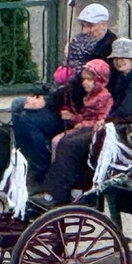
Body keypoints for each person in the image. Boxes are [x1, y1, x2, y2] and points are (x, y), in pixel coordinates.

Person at [11, 3, 116, 183]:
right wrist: (44, 95)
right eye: (83, 25)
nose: (85, 30)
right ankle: (25, 157)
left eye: (89, 26)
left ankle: (40, 168)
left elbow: (79, 85)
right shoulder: (79, 44)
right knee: (17, 105)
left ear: (103, 24)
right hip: (65, 101)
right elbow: (66, 78)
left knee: (25, 118)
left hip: (79, 112)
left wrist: (48, 101)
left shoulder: (108, 50)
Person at [36, 38, 132, 205]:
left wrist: (106, 120)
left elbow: (125, 110)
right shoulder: (118, 77)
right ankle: (61, 190)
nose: (119, 62)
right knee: (67, 139)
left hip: (126, 128)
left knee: (72, 144)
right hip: (109, 123)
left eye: (123, 58)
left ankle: (58, 194)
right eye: (116, 58)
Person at [33, 59, 113, 205]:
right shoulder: (88, 96)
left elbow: (101, 119)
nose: (85, 83)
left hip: (94, 132)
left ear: (100, 80)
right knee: (57, 140)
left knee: (66, 144)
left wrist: (80, 122)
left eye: (90, 79)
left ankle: (62, 190)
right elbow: (84, 116)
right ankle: (57, 184)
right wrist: (73, 117)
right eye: (84, 79)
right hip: (84, 128)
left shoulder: (104, 97)